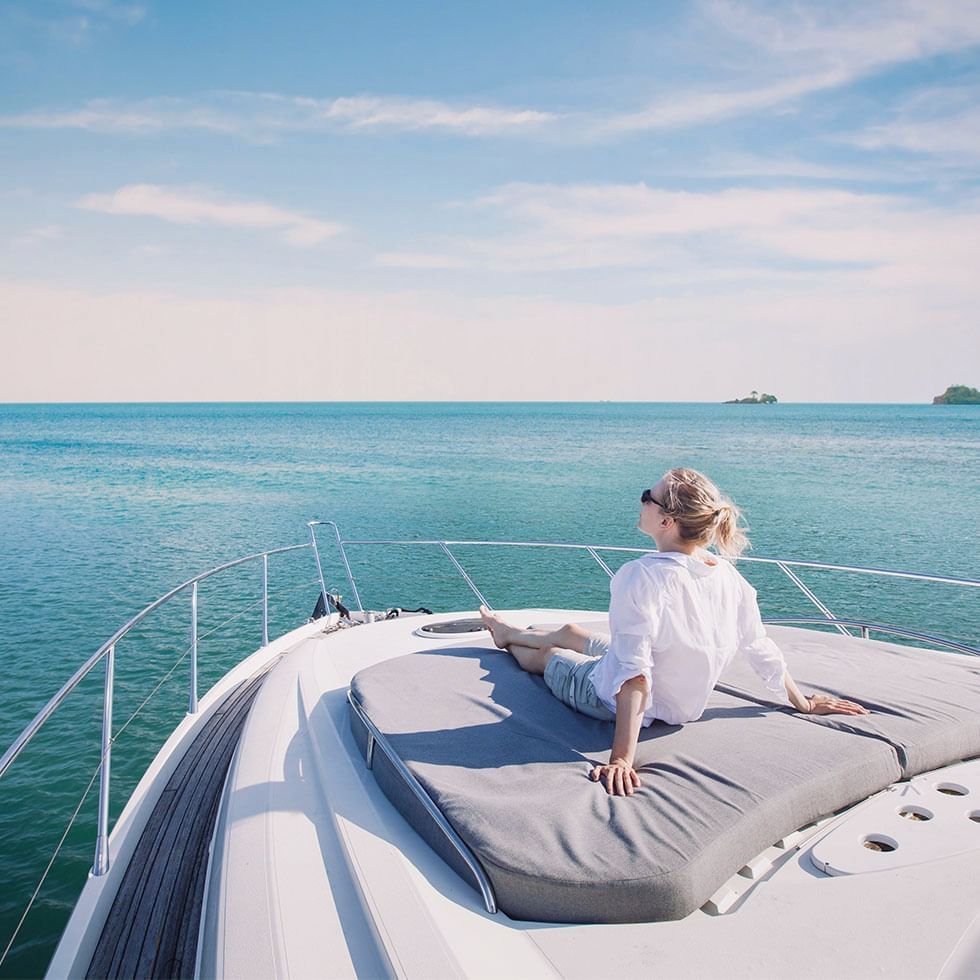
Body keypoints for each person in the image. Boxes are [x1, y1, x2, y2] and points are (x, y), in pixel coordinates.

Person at [479, 467, 869, 799]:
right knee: (578, 634)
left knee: (549, 659)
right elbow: (759, 645)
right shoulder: (726, 574)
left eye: (649, 496)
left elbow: (633, 676)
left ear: (667, 521)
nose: (642, 499)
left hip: (607, 696)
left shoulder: (641, 577)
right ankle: (548, 632)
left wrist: (621, 759)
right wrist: (800, 702)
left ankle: (507, 638)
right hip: (676, 699)